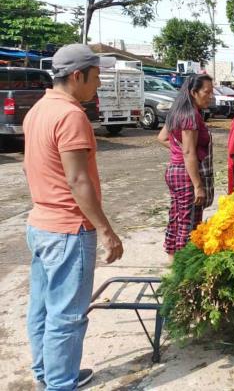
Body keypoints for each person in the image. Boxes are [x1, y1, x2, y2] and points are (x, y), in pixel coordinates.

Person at [23, 43, 124, 390]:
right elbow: (78, 180)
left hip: (40, 225)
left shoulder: (38, 110)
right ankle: (60, 383)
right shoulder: (70, 115)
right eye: (95, 78)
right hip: (68, 230)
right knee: (67, 316)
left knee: (42, 308)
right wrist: (106, 230)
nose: (98, 86)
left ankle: (48, 374)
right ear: (77, 76)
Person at [157, 74, 215, 261]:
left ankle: (172, 262)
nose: (210, 96)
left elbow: (163, 138)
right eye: (207, 92)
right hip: (186, 175)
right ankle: (183, 267)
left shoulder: (177, 111)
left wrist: (179, 150)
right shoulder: (190, 115)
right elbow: (189, 152)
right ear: (193, 92)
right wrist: (198, 186)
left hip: (174, 171)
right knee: (188, 224)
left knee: (176, 218)